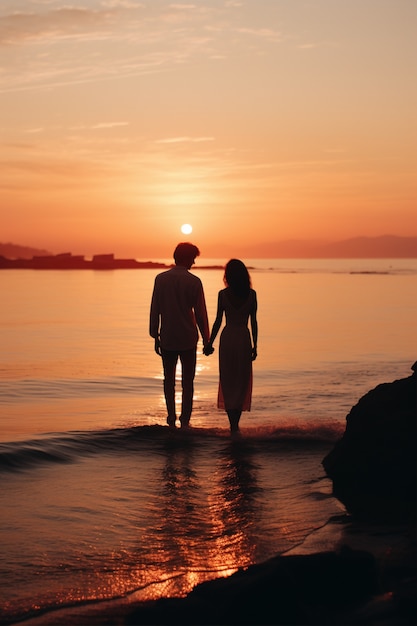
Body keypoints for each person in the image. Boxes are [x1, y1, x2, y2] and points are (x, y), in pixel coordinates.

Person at [150, 242, 210, 429]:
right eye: (193, 258)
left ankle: (171, 418)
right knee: (188, 383)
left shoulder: (161, 279)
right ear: (186, 258)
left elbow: (155, 309)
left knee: (169, 381)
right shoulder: (194, 281)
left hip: (167, 336)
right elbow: (201, 314)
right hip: (188, 337)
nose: (194, 262)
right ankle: (185, 421)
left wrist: (155, 334)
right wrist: (207, 339)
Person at [204, 259, 258, 432]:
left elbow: (218, 321)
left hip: (227, 339)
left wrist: (209, 343)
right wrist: (255, 346)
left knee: (228, 379)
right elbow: (254, 322)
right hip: (243, 337)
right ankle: (236, 423)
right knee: (241, 379)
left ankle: (232, 424)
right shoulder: (251, 294)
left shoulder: (223, 294)